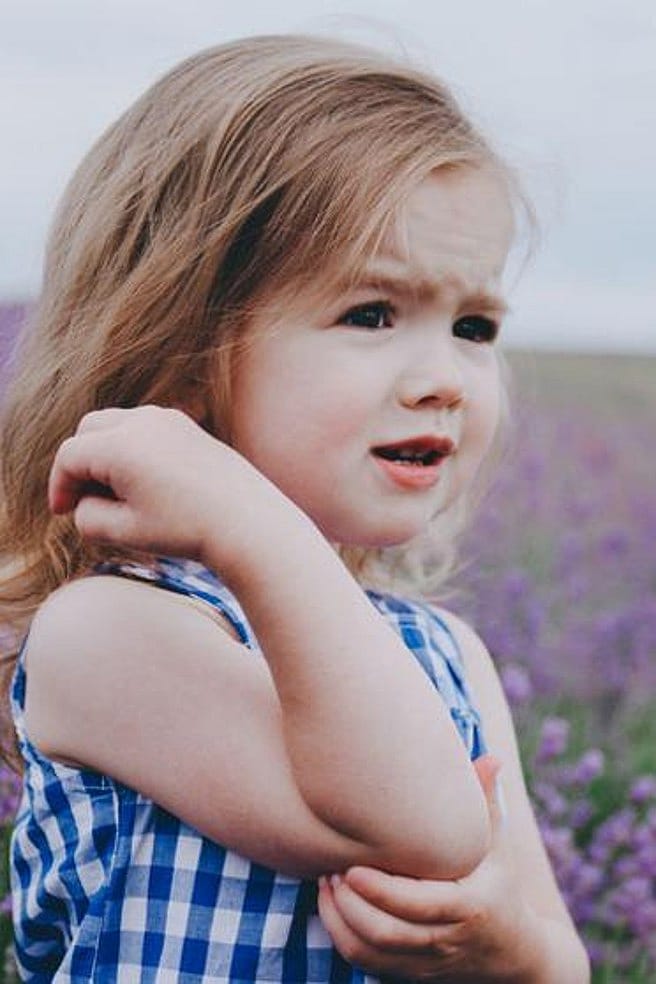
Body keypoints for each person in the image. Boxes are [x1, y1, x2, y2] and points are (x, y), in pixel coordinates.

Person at [0, 34, 589, 983]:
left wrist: (503, 949)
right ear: (183, 350)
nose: (444, 378)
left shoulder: (450, 655)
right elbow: (423, 823)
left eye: (473, 326)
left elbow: (561, 963)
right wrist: (247, 515)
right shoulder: (106, 632)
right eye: (371, 314)